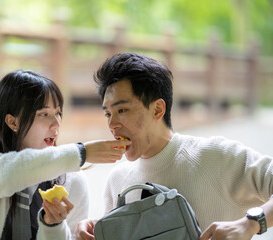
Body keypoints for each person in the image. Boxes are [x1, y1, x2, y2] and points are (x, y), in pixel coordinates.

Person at [74, 52, 273, 240]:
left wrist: (250, 223)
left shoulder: (215, 155)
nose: (112, 124)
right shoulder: (117, 180)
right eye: (108, 114)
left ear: (158, 109)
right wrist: (100, 228)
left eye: (122, 110)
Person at [0, 70, 130, 240]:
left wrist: (53, 226)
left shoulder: (72, 180)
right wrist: (81, 153)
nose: (56, 124)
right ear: (13, 122)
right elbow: (10, 172)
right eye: (43, 114)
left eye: (58, 113)